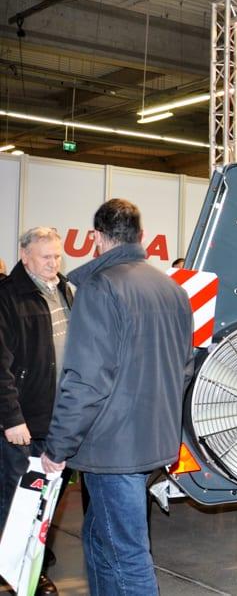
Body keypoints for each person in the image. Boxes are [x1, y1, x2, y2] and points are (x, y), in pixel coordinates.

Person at [40, 199, 193, 595]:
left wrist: (58, 446)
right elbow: (185, 368)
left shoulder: (99, 287)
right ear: (141, 236)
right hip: (154, 442)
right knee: (98, 539)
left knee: (128, 556)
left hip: (113, 450)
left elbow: (86, 380)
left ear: (96, 237)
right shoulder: (172, 290)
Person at [0, 227, 73, 595]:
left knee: (46, 500)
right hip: (23, 423)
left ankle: (32, 567)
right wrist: (11, 418)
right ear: (25, 256)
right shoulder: (7, 296)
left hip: (57, 420)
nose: (53, 263)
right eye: (46, 256)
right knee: (17, 501)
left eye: (57, 256)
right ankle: (16, 575)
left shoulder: (64, 290)